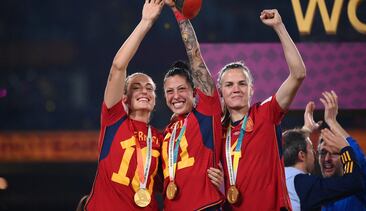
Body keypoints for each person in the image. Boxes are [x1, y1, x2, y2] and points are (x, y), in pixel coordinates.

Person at [217, 9, 306, 210]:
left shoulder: (266, 113)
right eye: (229, 85)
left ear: (251, 89)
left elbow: (298, 74)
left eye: (242, 83)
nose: (236, 89)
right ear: (221, 92)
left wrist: (279, 27)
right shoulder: (218, 131)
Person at [85, 0, 164, 210]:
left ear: (155, 99)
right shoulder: (114, 120)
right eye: (137, 87)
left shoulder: (161, 138)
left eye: (150, 88)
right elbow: (118, 67)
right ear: (125, 99)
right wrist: (146, 22)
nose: (145, 90)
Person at [160, 1, 224, 210]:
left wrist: (178, 14)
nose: (176, 96)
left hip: (205, 207)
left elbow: (195, 57)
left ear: (195, 92)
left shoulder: (206, 113)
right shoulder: (168, 132)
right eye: (170, 91)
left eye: (181, 89)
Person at [304, 91, 366, 211]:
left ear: (346, 156)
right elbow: (293, 163)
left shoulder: (358, 184)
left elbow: (358, 159)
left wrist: (332, 121)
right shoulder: (319, 190)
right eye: (323, 153)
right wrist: (305, 130)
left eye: (335, 153)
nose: (327, 159)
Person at [283, 127, 364, 211]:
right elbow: (353, 181)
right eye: (311, 149)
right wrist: (345, 148)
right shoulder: (304, 184)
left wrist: (306, 129)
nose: (314, 154)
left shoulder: (276, 178)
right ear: (302, 155)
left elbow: (290, 144)